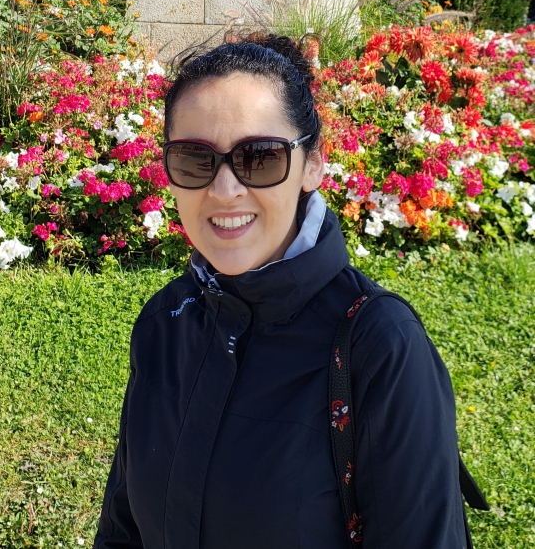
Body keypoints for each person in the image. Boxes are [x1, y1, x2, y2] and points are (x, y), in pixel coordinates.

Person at [94, 35, 469, 549]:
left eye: (260, 158)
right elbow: (122, 531)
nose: (224, 190)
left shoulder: (380, 346)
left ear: (312, 162)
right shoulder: (165, 322)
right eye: (194, 160)